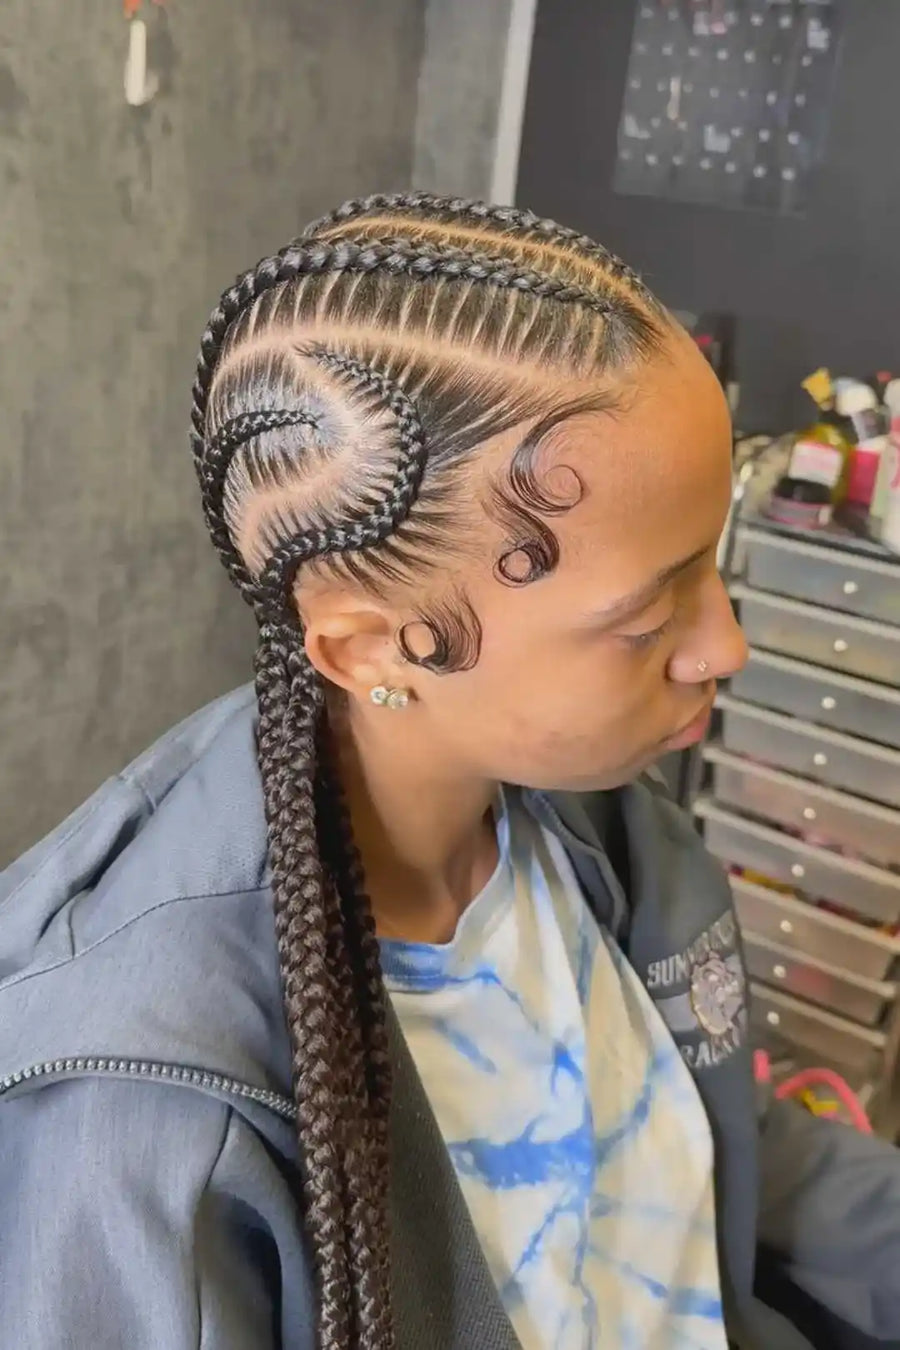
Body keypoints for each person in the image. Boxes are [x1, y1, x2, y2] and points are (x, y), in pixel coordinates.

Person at [1, 194, 898, 1350]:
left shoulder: (600, 830)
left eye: (711, 566)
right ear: (373, 646)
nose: (725, 645)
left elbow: (709, 1122)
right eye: (647, 612)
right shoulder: (148, 1121)